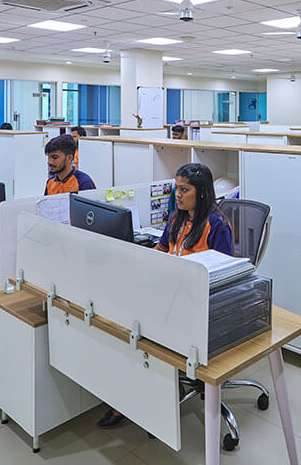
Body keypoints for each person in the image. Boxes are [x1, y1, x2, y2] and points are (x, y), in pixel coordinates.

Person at [98, 162, 232, 428]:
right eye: (176, 189)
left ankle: (138, 401)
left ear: (202, 192)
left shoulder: (217, 224)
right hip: (168, 293)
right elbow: (162, 249)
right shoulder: (176, 217)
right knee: (120, 323)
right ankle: (126, 398)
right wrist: (139, 261)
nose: (178, 195)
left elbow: (223, 275)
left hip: (196, 303)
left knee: (139, 331)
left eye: (184, 190)